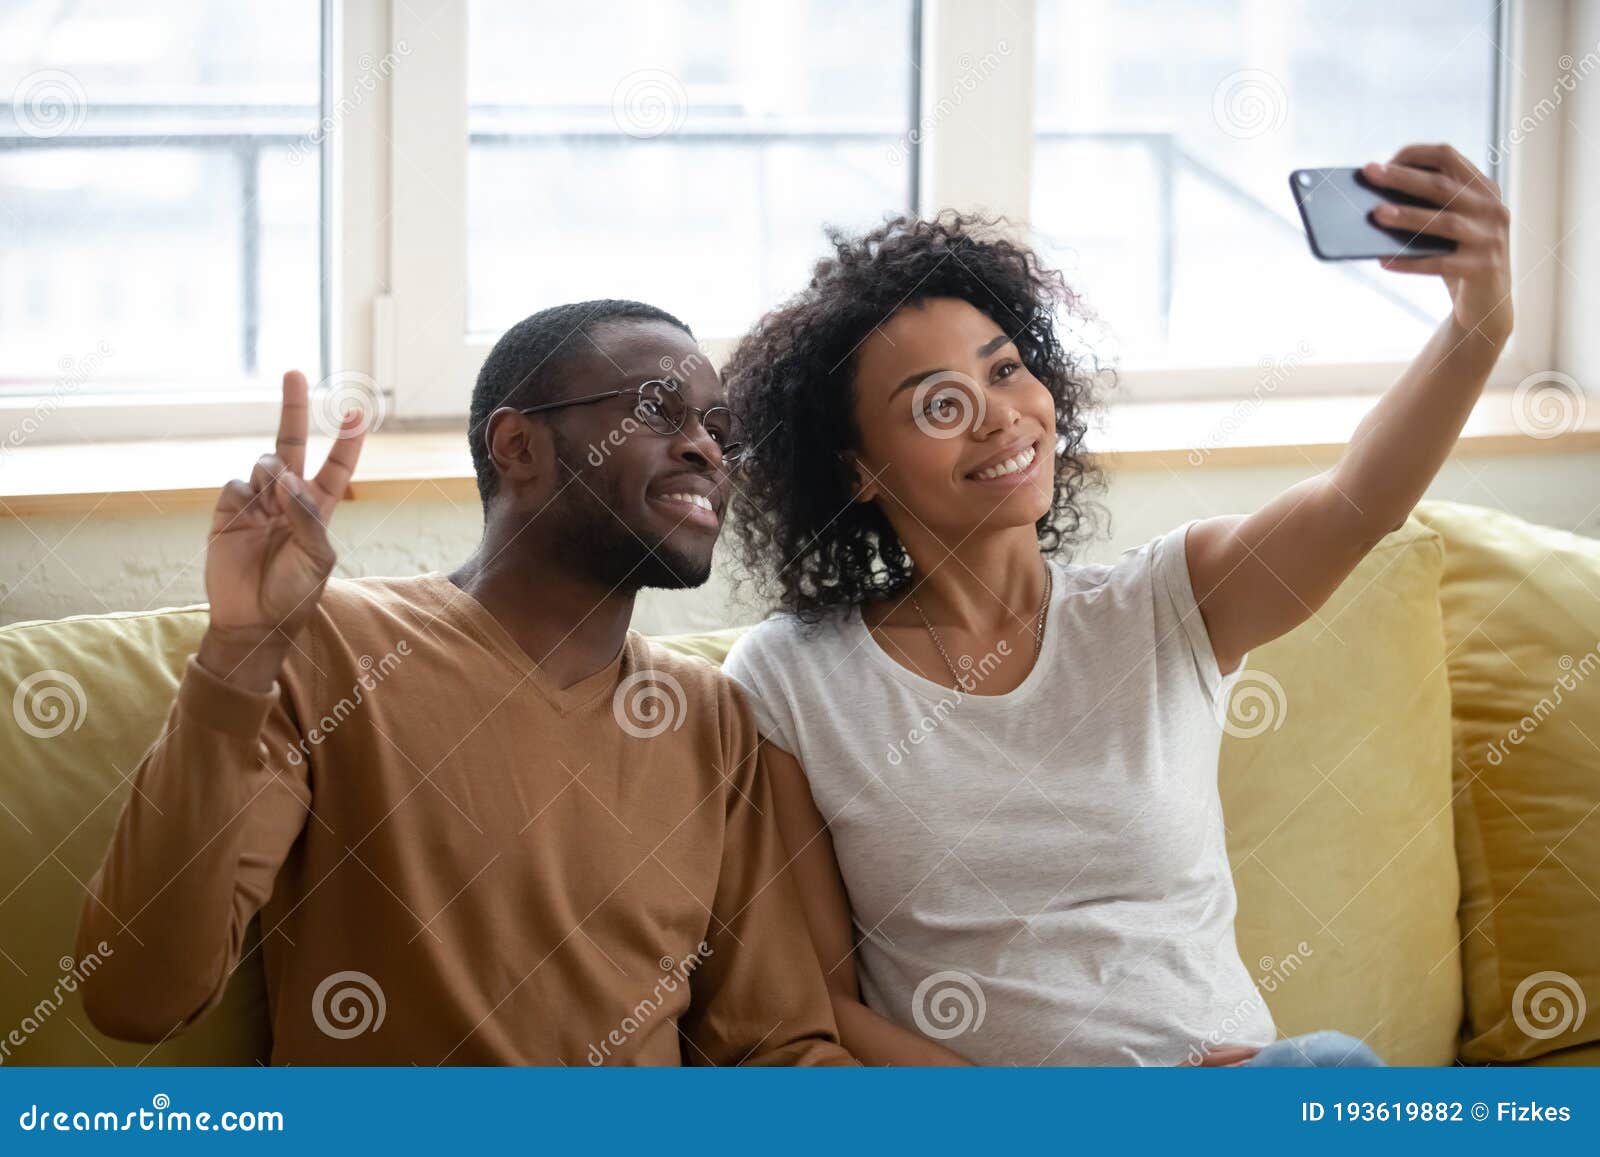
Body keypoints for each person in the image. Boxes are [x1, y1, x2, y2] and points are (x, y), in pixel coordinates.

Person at [720, 144, 1512, 1067]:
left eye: (1006, 368)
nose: (999, 415)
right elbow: (824, 998)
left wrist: (1478, 327)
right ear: (856, 469)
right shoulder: (790, 678)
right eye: (937, 404)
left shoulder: (1169, 601)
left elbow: (1355, 502)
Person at [76, 299, 855, 1067]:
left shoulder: (708, 714)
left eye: (721, 431)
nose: (707, 452)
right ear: (517, 444)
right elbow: (137, 995)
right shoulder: (328, 647)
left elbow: (777, 1048)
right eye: (659, 410)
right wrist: (239, 653)